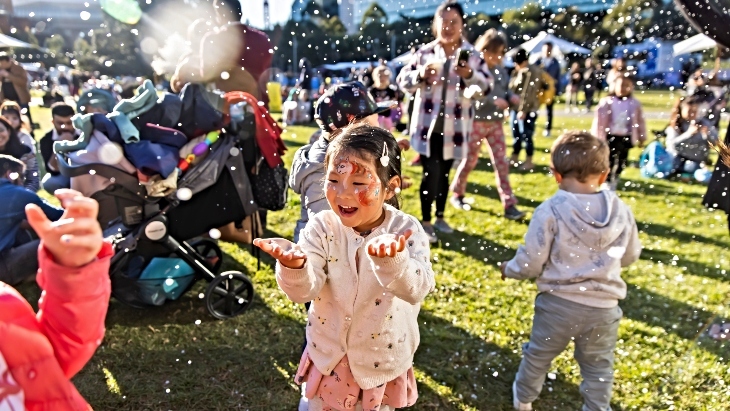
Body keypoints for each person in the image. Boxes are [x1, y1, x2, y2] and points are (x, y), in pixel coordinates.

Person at [254, 125, 435, 411]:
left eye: (359, 183)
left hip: (381, 363)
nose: (343, 193)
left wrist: (394, 262)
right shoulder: (322, 227)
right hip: (329, 360)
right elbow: (304, 291)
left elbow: (419, 288)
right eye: (334, 179)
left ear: (390, 187)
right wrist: (295, 266)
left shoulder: (405, 230)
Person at [500, 131, 642, 411]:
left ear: (555, 174)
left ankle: (525, 399)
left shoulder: (551, 209)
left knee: (539, 355)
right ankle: (597, 407)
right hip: (604, 308)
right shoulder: (621, 210)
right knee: (599, 366)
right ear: (603, 175)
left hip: (558, 306)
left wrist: (511, 269)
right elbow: (630, 255)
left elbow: (532, 261)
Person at [0, 185, 112, 410]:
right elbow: (52, 216)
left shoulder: (5, 305)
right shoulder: (19, 194)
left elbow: (49, 358)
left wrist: (74, 270)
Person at [397, 1, 492, 243]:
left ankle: (440, 217)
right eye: (444, 21)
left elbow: (486, 87)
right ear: (435, 24)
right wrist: (420, 75)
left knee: (446, 174)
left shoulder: (471, 54)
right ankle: (426, 223)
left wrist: (469, 75)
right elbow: (403, 81)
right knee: (431, 173)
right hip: (427, 128)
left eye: (454, 22)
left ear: (462, 26)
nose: (448, 27)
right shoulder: (425, 53)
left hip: (457, 129)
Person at [290, 81, 399, 243]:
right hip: (326, 259)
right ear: (355, 127)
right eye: (374, 118)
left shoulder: (344, 159)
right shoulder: (325, 173)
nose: (379, 123)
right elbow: (328, 234)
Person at [450, 29, 525, 220]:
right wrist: (492, 101)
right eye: (492, 52)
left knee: (501, 163)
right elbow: (470, 96)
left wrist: (511, 97)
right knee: (470, 161)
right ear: (483, 49)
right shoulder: (475, 71)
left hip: (496, 123)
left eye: (500, 53)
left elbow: (504, 91)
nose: (496, 57)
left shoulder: (501, 70)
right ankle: (457, 192)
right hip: (476, 122)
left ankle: (509, 204)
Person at [172, 0, 273, 106]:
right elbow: (265, 74)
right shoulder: (262, 39)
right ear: (241, 13)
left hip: (226, 108)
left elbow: (206, 76)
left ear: (219, 13)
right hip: (258, 106)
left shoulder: (212, 40)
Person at [0, 155, 64, 284]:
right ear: (9, 174)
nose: (23, 182)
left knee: (19, 228)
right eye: (22, 176)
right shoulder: (16, 193)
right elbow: (59, 216)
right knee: (58, 240)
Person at [591, 74, 647, 190]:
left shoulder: (634, 104)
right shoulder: (607, 102)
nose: (623, 88)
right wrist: (597, 137)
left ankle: (616, 176)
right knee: (608, 159)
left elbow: (640, 121)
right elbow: (599, 122)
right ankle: (607, 179)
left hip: (626, 136)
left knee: (622, 159)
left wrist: (641, 137)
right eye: (621, 85)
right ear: (614, 86)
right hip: (610, 136)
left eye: (627, 85)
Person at [509, 48, 548, 171]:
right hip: (516, 108)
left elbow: (529, 92)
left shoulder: (532, 71)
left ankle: (529, 161)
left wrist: (523, 110)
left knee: (526, 135)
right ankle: (514, 157)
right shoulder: (519, 71)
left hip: (528, 110)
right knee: (516, 135)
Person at [665, 94, 719, 176]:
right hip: (677, 159)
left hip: (696, 161)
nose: (692, 114)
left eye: (695, 111)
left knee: (692, 167)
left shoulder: (704, 123)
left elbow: (715, 143)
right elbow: (672, 145)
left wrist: (707, 135)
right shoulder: (676, 125)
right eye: (689, 111)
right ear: (681, 110)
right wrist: (688, 134)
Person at [39, 103, 78, 194]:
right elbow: (52, 170)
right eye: (60, 123)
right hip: (64, 174)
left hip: (85, 172)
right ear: (53, 122)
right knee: (50, 182)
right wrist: (60, 147)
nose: (65, 127)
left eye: (69, 123)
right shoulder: (46, 140)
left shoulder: (84, 133)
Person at [0, 115, 39, 192]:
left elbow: (34, 181)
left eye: (1, 130)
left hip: (22, 196)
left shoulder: (25, 151)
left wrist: (23, 195)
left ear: (9, 131)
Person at [535, 42, 561, 138]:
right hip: (539, 90)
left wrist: (557, 90)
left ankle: (548, 129)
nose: (547, 51)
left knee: (549, 111)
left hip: (550, 90)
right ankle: (532, 128)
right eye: (546, 49)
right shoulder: (538, 61)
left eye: (549, 49)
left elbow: (558, 77)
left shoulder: (555, 62)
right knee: (535, 110)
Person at [369, 65, 400, 131]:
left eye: (385, 76)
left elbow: (395, 105)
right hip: (375, 119)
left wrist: (393, 105)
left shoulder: (391, 91)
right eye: (380, 76)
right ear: (375, 77)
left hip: (387, 118)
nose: (382, 78)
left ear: (388, 77)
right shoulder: (371, 91)